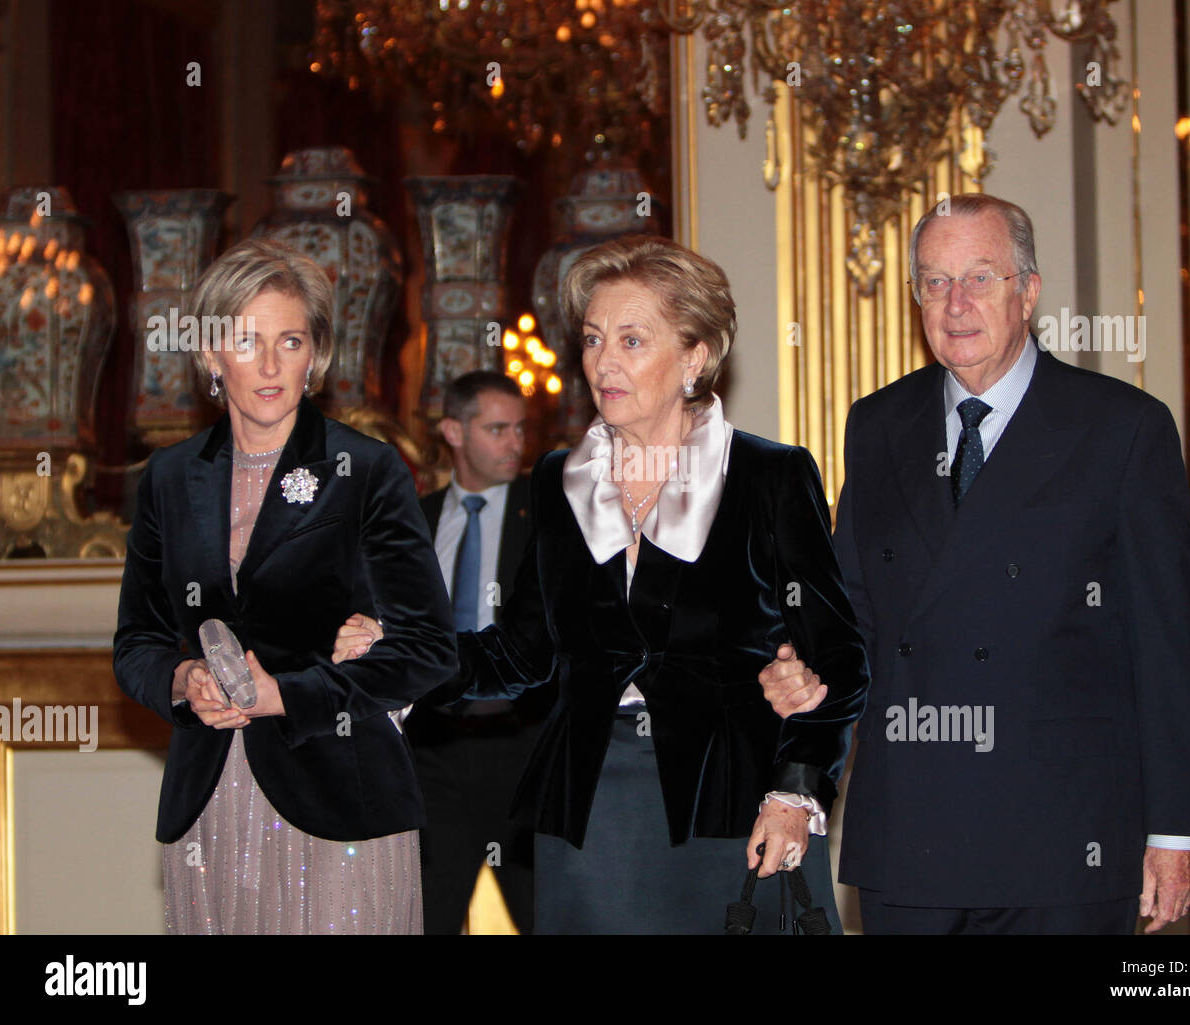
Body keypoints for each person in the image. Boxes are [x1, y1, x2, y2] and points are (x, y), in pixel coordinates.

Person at [337, 235, 869, 933]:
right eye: (592, 340)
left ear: (695, 356)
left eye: (631, 340)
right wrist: (401, 650)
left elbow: (839, 657)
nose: (603, 361)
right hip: (589, 809)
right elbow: (520, 653)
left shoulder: (770, 476)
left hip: (737, 802)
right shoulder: (561, 482)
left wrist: (797, 789)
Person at [763, 193, 1190, 934]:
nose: (956, 303)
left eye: (979, 277)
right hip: (911, 832)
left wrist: (1174, 832)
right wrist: (798, 762)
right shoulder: (878, 424)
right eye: (934, 282)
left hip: (1065, 838)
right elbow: (853, 621)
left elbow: (1164, 645)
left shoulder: (1121, 428)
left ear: (1028, 291)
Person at [113, 237, 457, 934]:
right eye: (247, 341)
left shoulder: (367, 470)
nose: (271, 364)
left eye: (291, 340)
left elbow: (428, 650)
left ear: (315, 355)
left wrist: (284, 693)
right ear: (212, 356)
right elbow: (136, 643)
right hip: (211, 803)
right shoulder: (172, 478)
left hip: (342, 799)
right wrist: (184, 680)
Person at [400, 370, 552, 934]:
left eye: (519, 429)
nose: (515, 443)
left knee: (543, 911)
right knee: (426, 913)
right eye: (496, 429)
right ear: (453, 432)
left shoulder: (548, 515)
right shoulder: (413, 520)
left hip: (524, 744)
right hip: (433, 748)